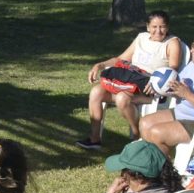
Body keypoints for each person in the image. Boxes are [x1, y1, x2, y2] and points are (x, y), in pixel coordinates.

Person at [78, 10, 185, 150]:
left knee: (122, 98)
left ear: (168, 27)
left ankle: (136, 134)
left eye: (162, 27)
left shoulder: (172, 43)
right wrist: (100, 65)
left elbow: (172, 70)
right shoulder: (141, 38)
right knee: (96, 92)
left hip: (151, 89)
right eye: (154, 27)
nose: (158, 31)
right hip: (130, 82)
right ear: (148, 27)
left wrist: (156, 83)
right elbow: (120, 59)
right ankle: (94, 139)